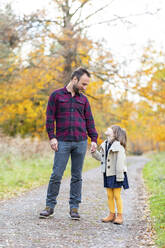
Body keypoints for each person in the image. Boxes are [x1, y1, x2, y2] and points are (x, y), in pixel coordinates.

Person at [40, 67, 98, 220]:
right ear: (74, 79)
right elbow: (49, 118)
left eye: (87, 85)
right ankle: (49, 206)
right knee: (56, 174)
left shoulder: (84, 99)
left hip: (80, 142)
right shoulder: (56, 96)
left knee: (77, 176)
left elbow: (89, 121)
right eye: (83, 84)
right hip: (62, 142)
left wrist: (94, 139)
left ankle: (74, 208)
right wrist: (52, 137)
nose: (85, 88)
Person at [91, 125, 129, 225]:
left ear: (114, 133)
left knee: (117, 195)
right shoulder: (105, 144)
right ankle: (112, 214)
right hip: (107, 173)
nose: (107, 129)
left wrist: (120, 176)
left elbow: (121, 162)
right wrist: (94, 152)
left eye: (110, 128)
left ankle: (120, 215)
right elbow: (101, 158)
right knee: (109, 195)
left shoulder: (119, 146)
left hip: (117, 173)